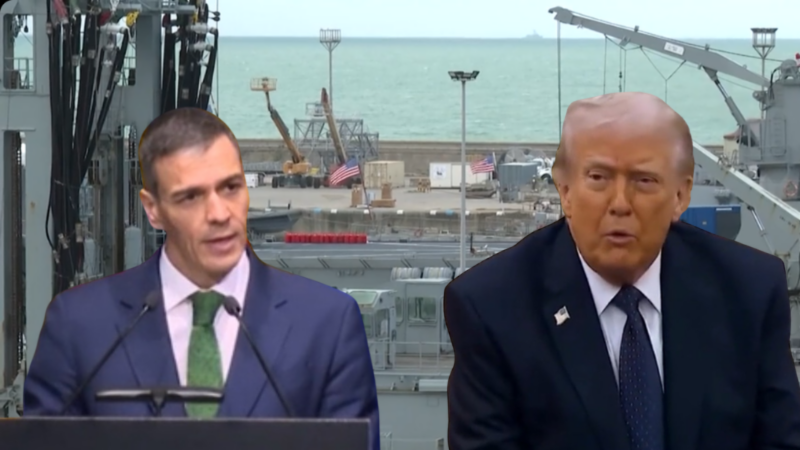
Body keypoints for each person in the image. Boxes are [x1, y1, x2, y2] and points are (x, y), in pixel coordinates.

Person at [444, 92, 800, 450]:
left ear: (680, 196)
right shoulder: (491, 308)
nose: (619, 204)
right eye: (598, 177)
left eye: (644, 180)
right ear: (565, 191)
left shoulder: (749, 291)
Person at [24, 107, 380, 449]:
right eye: (191, 197)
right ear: (153, 210)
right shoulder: (77, 326)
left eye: (230, 188)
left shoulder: (328, 324)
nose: (219, 214)